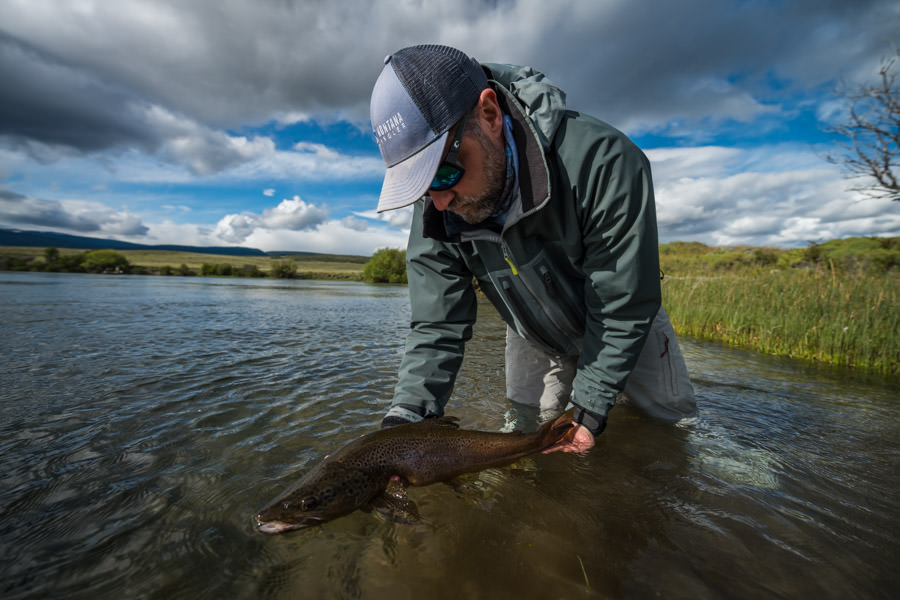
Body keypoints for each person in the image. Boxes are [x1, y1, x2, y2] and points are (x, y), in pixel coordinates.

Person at [369, 44, 696, 453]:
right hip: (529, 330)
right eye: (421, 185)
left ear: (489, 114)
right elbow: (437, 326)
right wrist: (403, 421)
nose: (437, 201)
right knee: (524, 431)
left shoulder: (603, 160)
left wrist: (590, 408)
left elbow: (621, 306)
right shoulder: (437, 202)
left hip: (624, 320)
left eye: (444, 172)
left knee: (668, 431)